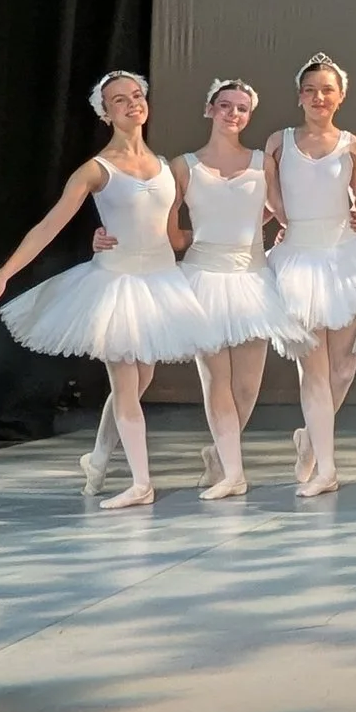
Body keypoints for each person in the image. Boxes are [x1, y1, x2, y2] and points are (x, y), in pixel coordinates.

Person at [0, 71, 218, 510]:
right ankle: (141, 482)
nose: (132, 104)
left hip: (160, 282)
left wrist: (236, 240)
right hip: (116, 285)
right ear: (105, 113)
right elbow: (49, 225)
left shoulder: (165, 165)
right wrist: (3, 275)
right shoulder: (97, 169)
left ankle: (97, 458)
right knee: (125, 384)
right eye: (120, 100)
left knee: (139, 381)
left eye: (136, 95)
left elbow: (173, 234)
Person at [85, 76, 301, 500]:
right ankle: (231, 473)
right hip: (203, 278)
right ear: (210, 110)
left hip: (252, 279)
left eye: (242, 108)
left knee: (247, 387)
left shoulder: (262, 162)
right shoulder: (183, 167)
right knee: (211, 379)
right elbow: (165, 231)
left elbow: (281, 211)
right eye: (225, 105)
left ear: (249, 115)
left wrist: (345, 217)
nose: (233, 113)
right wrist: (108, 236)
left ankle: (220, 456)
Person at [264, 54, 356, 498]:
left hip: (345, 257)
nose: (319, 97)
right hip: (299, 259)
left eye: (327, 90)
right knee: (313, 369)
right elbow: (270, 201)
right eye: (311, 90)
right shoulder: (278, 143)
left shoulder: (352, 145)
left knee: (343, 368)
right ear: (300, 96)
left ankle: (310, 438)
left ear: (341, 96)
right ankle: (327, 469)